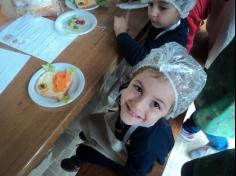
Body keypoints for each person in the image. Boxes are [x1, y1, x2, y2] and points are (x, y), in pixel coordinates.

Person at [60, 42, 207, 176]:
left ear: (168, 113)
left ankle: (78, 160)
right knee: (94, 126)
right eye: (138, 88)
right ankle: (94, 136)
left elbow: (136, 172)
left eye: (156, 104)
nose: (137, 105)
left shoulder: (148, 144)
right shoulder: (127, 93)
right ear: (131, 80)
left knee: (85, 150)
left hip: (131, 157)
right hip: (122, 133)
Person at [180, 38, 235, 159]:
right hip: (225, 74)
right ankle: (191, 126)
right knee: (206, 101)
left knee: (216, 124)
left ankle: (218, 147)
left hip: (229, 115)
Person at [114, 0, 196, 66]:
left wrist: (121, 31)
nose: (152, 13)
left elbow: (141, 60)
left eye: (163, 7)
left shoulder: (173, 42)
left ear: (181, 10)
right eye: (150, 3)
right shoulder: (169, 21)